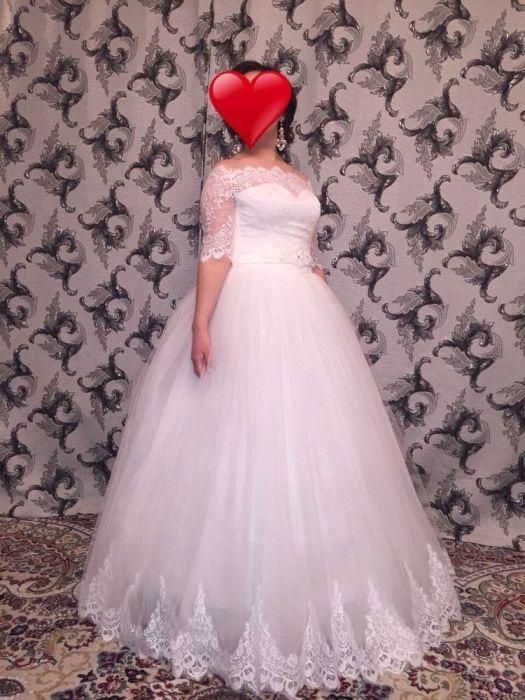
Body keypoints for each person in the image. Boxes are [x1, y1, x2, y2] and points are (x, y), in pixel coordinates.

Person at [75, 60, 462, 699]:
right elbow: (216, 253)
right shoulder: (225, 174)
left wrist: (316, 285)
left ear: (284, 111)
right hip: (245, 310)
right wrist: (202, 324)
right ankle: (223, 596)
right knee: (236, 447)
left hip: (304, 311)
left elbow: (305, 249)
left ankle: (321, 592)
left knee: (314, 449)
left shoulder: (299, 178)